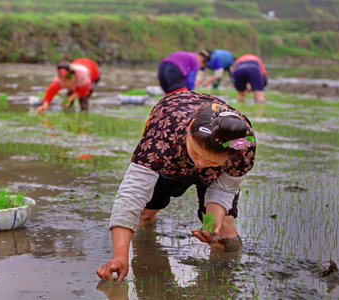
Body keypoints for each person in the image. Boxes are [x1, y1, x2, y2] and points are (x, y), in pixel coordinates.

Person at [96, 91, 256, 282]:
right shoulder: (163, 133)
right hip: (172, 156)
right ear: (188, 129)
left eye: (211, 162)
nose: (200, 165)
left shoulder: (243, 148)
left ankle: (220, 283)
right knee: (144, 214)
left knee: (223, 231)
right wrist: (119, 255)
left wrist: (210, 223)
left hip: (213, 173)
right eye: (196, 154)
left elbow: (225, 189)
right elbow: (132, 194)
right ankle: (147, 255)